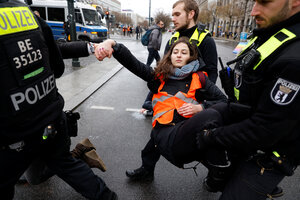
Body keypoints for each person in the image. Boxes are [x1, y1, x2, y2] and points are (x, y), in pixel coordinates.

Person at [0, 1, 117, 199]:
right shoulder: (26, 13)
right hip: (50, 119)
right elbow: (58, 66)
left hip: (14, 134)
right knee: (62, 164)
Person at [195, 0, 300, 199]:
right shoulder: (269, 31)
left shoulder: (295, 57)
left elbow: (265, 129)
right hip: (244, 136)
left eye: (264, 2)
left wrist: (212, 136)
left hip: (266, 157)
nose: (253, 11)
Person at [95, 37, 227, 181]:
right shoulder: (159, 76)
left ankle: (217, 173)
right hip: (162, 130)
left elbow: (223, 100)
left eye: (184, 52)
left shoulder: (200, 78)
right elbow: (134, 64)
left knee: (209, 125)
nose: (179, 55)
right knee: (151, 147)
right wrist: (113, 44)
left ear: (191, 57)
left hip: (185, 133)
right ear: (170, 55)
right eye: (175, 52)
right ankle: (147, 170)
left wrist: (200, 107)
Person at [141, 0, 218, 118]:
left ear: (191, 14)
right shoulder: (173, 39)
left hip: (191, 108)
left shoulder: (206, 40)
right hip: (168, 105)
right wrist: (148, 100)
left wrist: (200, 104)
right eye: (172, 15)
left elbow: (211, 74)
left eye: (177, 14)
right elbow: (162, 72)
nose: (173, 19)